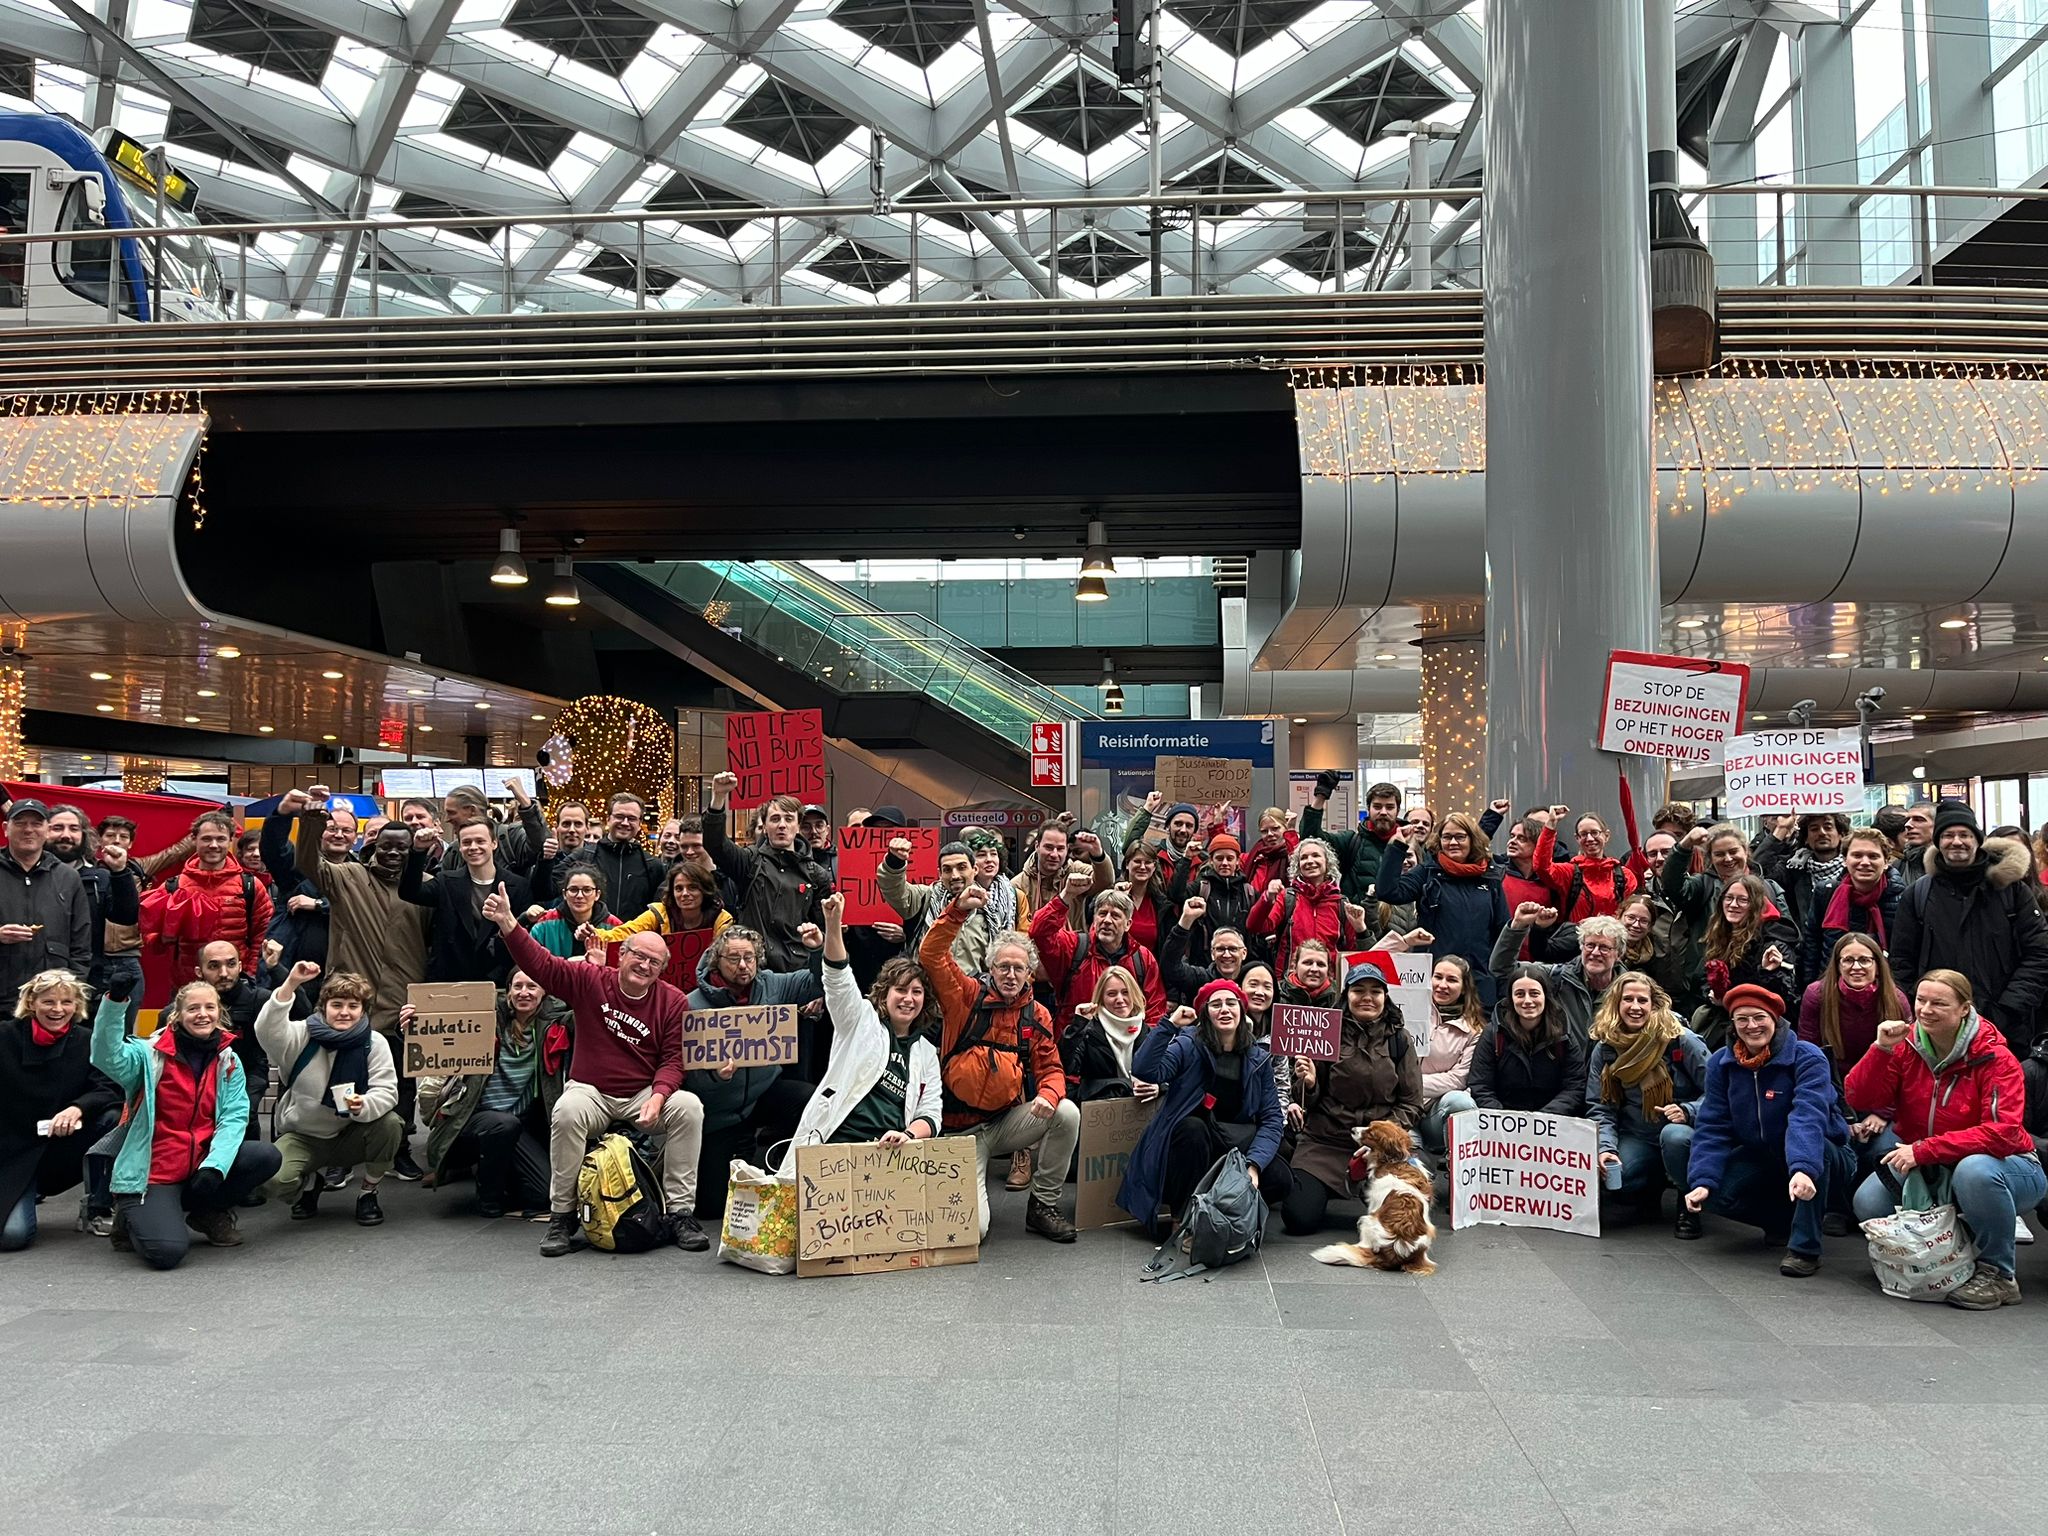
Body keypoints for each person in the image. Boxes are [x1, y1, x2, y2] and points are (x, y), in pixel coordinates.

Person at [483, 883, 707, 1256]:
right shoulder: (590, 981)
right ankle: (562, 1216)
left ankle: (680, 1213)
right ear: (623, 954)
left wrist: (659, 1095)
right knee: (567, 1111)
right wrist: (508, 922)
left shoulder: (672, 1001)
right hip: (591, 1090)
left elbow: (673, 1059)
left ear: (662, 970)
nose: (644, 965)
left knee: (689, 1108)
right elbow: (541, 963)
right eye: (639, 956)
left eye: (654, 962)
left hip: (642, 1093)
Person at [1847, 968, 2046, 1309]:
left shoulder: (1997, 1058)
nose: (1925, 1010)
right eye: (1921, 1000)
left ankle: (1999, 1274)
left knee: (1976, 1173)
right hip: (1928, 1161)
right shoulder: (1906, 1046)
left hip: (2009, 1166)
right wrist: (1880, 1049)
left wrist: (1925, 1150)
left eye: (1938, 1003)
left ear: (1964, 1009)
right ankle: (1952, 1254)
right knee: (1867, 1204)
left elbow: (2003, 1134)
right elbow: (1859, 1097)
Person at [267, 789, 431, 1181]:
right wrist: (309, 820)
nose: (393, 854)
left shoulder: (425, 887)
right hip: (352, 1002)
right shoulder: (348, 877)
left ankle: (399, 1146)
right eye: (385, 846)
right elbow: (307, 861)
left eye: (401, 849)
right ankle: (339, 1153)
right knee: (345, 1078)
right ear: (372, 845)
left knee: (403, 1082)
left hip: (404, 1002)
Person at [919, 883, 1079, 1241]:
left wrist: (1048, 1096)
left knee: (1067, 1113)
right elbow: (931, 955)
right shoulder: (965, 996)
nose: (1010, 974)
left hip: (1005, 1123)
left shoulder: (1037, 1015)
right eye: (1003, 966)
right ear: (989, 968)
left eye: (1018, 968)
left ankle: (1043, 1205)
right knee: (972, 1230)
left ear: (1029, 974)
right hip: (960, 1133)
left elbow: (1051, 1069)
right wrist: (957, 911)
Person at [91, 974, 281, 1268]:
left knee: (265, 1155)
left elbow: (234, 1117)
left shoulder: (227, 1059)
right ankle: (130, 1217)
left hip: (199, 1164)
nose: (202, 1014)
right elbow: (106, 1056)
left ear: (220, 1013)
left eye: (210, 1007)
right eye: (193, 1008)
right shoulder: (148, 1055)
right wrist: (115, 1003)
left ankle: (205, 1211)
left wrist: (215, 1166)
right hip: (154, 1171)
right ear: (177, 1015)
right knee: (166, 1253)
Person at [1680, 984, 1856, 1274]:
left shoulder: (1807, 1057)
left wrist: (1802, 1167)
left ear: (1775, 1019)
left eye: (1759, 1017)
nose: (1752, 1026)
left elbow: (1808, 1116)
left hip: (1822, 1153)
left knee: (1818, 1151)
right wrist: (1702, 1180)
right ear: (1733, 1025)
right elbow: (1713, 1124)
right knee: (1712, 1192)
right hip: (1762, 1153)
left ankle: (1805, 1249)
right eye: (1742, 1019)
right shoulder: (1720, 1064)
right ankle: (1781, 1221)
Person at [782, 893, 942, 1161]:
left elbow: (931, 1111)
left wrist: (909, 1135)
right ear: (884, 993)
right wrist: (833, 926)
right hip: (835, 1145)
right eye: (900, 990)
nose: (908, 999)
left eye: (917, 992)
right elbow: (837, 978)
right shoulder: (859, 1019)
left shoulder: (926, 1052)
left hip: (888, 1155)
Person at [1120, 980, 1288, 1234]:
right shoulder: (1188, 1044)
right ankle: (1183, 1217)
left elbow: (1272, 1118)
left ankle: (1223, 1210)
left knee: (1281, 1179)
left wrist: (1253, 1166)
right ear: (1205, 1014)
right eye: (1216, 1004)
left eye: (1231, 1003)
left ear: (1242, 1011)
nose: (1224, 1009)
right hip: (1188, 1152)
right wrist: (1169, 1025)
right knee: (1192, 1128)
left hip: (1233, 1144)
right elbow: (1145, 1070)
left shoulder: (1258, 1057)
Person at [1888, 801, 2048, 1062]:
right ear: (1938, 841)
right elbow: (1902, 961)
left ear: (1977, 839)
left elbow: (2039, 953)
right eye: (1948, 835)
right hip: (1937, 1030)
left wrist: (2009, 1007)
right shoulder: (1918, 894)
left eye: (1965, 834)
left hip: (2005, 1028)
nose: (1957, 842)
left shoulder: (2012, 890)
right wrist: (1924, 1008)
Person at [684, 923, 822, 1220]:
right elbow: (687, 1077)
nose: (743, 965)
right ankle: (735, 1149)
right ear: (716, 960)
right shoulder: (692, 1006)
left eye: (749, 957)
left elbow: (819, 982)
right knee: (711, 1208)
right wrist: (714, 1076)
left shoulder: (773, 985)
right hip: (718, 1112)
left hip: (762, 1095)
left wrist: (817, 948)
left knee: (809, 1099)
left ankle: (779, 1160)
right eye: (733, 959)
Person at [254, 962, 401, 1227]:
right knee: (273, 1181)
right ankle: (310, 1183)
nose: (344, 1012)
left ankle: (368, 1192)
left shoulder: (374, 1042)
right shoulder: (302, 1035)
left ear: (363, 1010)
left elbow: (388, 1091)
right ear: (324, 1007)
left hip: (351, 1132)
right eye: (337, 1005)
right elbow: (266, 1030)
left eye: (353, 1006)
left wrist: (363, 1105)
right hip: (305, 1135)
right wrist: (291, 984)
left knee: (390, 1125)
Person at [1282, 963, 1422, 1235]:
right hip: (1325, 1143)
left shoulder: (1400, 1040)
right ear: (1346, 996)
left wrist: (1380, 1138)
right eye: (1358, 990)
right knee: (1298, 1218)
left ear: (1385, 997)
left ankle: (1369, 1191)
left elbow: (1412, 1104)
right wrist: (1308, 1083)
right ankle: (1330, 1188)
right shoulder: (1325, 1032)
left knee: (1405, 1218)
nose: (1367, 997)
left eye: (1375, 991)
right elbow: (1305, 1102)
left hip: (1379, 1147)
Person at [418, 967, 566, 1216]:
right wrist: (412, 1021)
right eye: (517, 986)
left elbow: (588, 1009)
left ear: (544, 993)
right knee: (502, 1124)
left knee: (542, 1196)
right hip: (471, 1120)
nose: (524, 993)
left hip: (517, 1125)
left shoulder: (552, 1023)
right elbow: (436, 1022)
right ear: (508, 991)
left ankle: (502, 1175)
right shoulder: (485, 1018)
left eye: (532, 986)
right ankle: (488, 1197)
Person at [0, 971, 121, 1249]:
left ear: (77, 1006)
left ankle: (97, 1206)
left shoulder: (86, 1040)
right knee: (12, 1237)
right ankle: (22, 1194)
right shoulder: (5, 1037)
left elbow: (108, 1088)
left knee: (112, 1119)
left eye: (66, 1002)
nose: (58, 1010)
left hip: (58, 1148)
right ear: (31, 1003)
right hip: (10, 1152)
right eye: (48, 1002)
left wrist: (78, 1108)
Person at [1586, 971, 1708, 1210]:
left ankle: (1689, 1204)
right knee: (1616, 1180)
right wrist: (1606, 1149)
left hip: (1681, 1132)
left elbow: (1719, 1092)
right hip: (1637, 1134)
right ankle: (1651, 1185)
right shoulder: (1606, 1047)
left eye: (1642, 1000)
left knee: (1674, 1138)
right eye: (1628, 999)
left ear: (1654, 1005)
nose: (1635, 1007)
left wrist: (1688, 1111)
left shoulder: (1680, 1039)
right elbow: (1600, 1106)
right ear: (1616, 1004)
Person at [1375, 812, 1510, 1006]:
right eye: (1447, 837)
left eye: (1460, 837)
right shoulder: (1428, 872)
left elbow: (1501, 930)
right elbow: (1388, 892)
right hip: (1438, 981)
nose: (1453, 842)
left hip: (1480, 981)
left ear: (1472, 840)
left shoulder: (1489, 878)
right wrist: (1397, 847)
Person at [703, 773, 830, 971]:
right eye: (775, 819)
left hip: (796, 970)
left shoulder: (816, 874)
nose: (782, 825)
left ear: (797, 827)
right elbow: (715, 844)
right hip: (754, 969)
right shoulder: (749, 861)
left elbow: (825, 929)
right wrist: (718, 798)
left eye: (789, 819)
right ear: (765, 826)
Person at [140, 809, 273, 982]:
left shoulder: (250, 885)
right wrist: (162, 937)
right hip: (188, 984)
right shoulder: (174, 886)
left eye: (220, 839)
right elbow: (153, 941)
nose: (214, 845)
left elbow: (264, 933)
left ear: (231, 840)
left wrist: (250, 973)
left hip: (236, 983)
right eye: (207, 838)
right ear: (194, 840)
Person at [400, 820, 531, 984]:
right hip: (449, 982)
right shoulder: (445, 881)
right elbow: (409, 892)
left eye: (480, 841)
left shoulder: (518, 886)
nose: (473, 847)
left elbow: (521, 937)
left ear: (494, 843)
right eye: (466, 842)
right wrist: (418, 850)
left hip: (499, 983)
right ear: (460, 847)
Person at [1034, 886, 1169, 1036]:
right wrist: (1066, 895)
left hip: (1126, 1045)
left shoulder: (1142, 958)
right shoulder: (1074, 947)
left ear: (1128, 924)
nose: (1107, 920)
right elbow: (1039, 931)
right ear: (1094, 918)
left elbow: (1155, 1010)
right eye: (1102, 914)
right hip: (1076, 1045)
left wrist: (1143, 1044)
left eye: (1115, 916)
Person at [1489, 905, 1627, 1049]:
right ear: (1581, 947)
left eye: (1604, 947)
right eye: (1590, 945)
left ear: (1619, 954)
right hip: (1564, 1068)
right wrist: (1518, 926)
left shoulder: (1631, 990)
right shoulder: (1557, 977)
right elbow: (1501, 968)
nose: (1595, 953)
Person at [1692, 873, 1800, 1050]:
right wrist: (1713, 994)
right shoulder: (1719, 935)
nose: (1733, 905)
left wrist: (1768, 972)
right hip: (1725, 1026)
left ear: (1756, 905)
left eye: (1743, 900)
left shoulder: (1774, 940)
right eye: (1729, 898)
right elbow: (1701, 978)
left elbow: (1785, 997)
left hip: (1761, 1032)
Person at [43, 807, 139, 1004]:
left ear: (84, 835)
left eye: (74, 829)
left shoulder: (98, 878)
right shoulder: (28, 875)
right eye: (57, 828)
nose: (66, 835)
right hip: (36, 978)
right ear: (44, 832)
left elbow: (126, 916)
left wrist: (120, 872)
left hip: (87, 981)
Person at [0, 801, 93, 1001]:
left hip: (50, 1000)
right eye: (20, 823)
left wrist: (72, 991)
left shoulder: (68, 877)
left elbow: (81, 944)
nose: (28, 830)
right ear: (6, 829)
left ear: (47, 830)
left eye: (36, 824)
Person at [1468, 964, 1587, 1115]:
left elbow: (1574, 1087)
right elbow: (1480, 1085)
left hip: (1552, 1123)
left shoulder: (1564, 1035)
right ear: (1510, 998)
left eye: (1534, 993)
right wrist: (1506, 1119)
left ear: (1546, 996)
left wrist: (1542, 1118)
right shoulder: (1493, 1034)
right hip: (1503, 1125)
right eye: (1519, 994)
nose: (1527, 1000)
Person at [591, 863, 732, 991]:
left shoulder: (721, 920)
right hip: (659, 987)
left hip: (705, 988)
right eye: (678, 888)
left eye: (692, 887)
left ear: (705, 890)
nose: (685, 894)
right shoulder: (660, 913)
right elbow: (628, 932)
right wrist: (595, 935)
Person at [1245, 837, 1369, 978]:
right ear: (1298, 866)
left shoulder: (1341, 903)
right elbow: (1254, 926)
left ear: (1327, 863)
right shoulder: (1287, 898)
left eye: (1316, 855)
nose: (1310, 861)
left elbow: (1354, 952)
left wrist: (1360, 929)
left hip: (1329, 988)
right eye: (1304, 858)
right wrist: (1267, 898)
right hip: (1290, 986)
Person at [1801, 827, 1902, 985]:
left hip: (1886, 990)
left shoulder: (1902, 897)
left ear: (1886, 862)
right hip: (1834, 988)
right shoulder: (1826, 893)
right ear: (1844, 860)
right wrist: (1810, 988)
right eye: (1857, 855)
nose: (1865, 862)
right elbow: (1812, 945)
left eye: (1873, 856)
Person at [877, 837, 983, 971]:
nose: (955, 875)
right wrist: (895, 861)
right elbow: (893, 888)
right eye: (947, 870)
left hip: (970, 990)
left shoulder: (990, 909)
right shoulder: (925, 897)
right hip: (926, 988)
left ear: (975, 869)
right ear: (939, 874)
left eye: (962, 868)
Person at [1418, 955, 1486, 1152]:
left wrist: (1409, 1083)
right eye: (1437, 977)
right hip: (1397, 1107)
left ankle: (1457, 1167)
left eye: (1452, 980)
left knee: (1461, 1101)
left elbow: (1458, 1080)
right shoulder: (1406, 1010)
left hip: (1433, 1112)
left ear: (1464, 987)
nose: (1442, 985)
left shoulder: (1474, 1030)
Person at [1299, 775, 1401, 903]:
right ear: (1368, 809)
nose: (1383, 812)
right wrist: (1320, 796)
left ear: (1398, 810)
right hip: (1356, 919)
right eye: (1377, 806)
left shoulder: (1409, 844)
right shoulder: (1351, 842)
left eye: (1390, 807)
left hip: (1402, 921)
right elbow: (1310, 839)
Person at [1061, 964, 1148, 1102]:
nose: (1120, 999)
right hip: (1100, 1109)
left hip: (1141, 1108)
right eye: (1111, 994)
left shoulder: (1148, 1032)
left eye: (1125, 992)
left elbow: (1165, 1073)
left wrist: (1158, 1087)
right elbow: (1069, 1066)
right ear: (1101, 999)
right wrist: (1077, 1026)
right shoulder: (1088, 1031)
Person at [1531, 811, 1637, 922]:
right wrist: (1550, 825)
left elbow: (1628, 914)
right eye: (1584, 834)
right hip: (1578, 938)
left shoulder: (1625, 876)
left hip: (1613, 938)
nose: (1590, 838)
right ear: (1577, 838)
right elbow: (1541, 867)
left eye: (1595, 832)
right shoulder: (1568, 872)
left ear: (1606, 835)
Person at [1757, 812, 1851, 934]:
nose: (1822, 833)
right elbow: (1757, 871)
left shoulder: (1853, 871)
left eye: (1828, 827)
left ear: (1841, 835)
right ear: (1806, 838)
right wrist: (1781, 829)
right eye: (1814, 829)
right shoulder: (1793, 870)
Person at [1011, 821, 1112, 929]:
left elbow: (1105, 881)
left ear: (1067, 849)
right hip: (1031, 945)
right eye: (1049, 847)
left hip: (1071, 944)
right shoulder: (1018, 885)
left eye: (1060, 849)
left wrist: (1098, 854)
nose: (1054, 854)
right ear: (1037, 846)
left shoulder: (1076, 870)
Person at [1184, 833, 1256, 966]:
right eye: (1219, 858)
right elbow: (1175, 895)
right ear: (1211, 861)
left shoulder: (1248, 892)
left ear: (1238, 861)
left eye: (1229, 858)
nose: (1224, 863)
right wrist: (1187, 859)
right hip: (1204, 965)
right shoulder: (1201, 888)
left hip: (1239, 966)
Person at [529, 863, 611, 959]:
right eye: (573, 890)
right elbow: (530, 963)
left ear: (597, 894)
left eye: (587, 890)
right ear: (564, 894)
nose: (580, 895)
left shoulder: (614, 926)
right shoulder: (543, 926)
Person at [1242, 808, 1297, 898]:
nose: (1270, 834)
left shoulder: (1292, 853)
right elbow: (1224, 855)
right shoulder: (1253, 857)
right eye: (1264, 831)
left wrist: (1290, 832)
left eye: (1275, 828)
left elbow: (1297, 864)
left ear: (1285, 828)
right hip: (1254, 910)